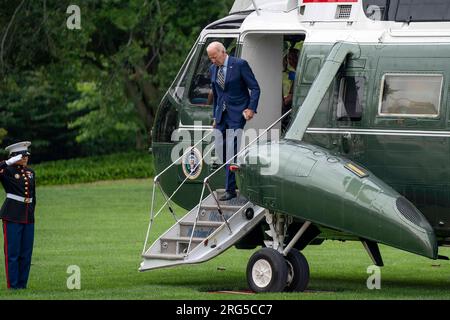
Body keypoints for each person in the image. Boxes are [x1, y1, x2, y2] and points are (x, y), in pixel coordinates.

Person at [207, 41, 260, 201]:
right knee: (220, 147)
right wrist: (215, 117)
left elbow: (255, 88)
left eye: (214, 57)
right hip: (221, 115)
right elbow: (217, 94)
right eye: (210, 58)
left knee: (231, 147)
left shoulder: (240, 65)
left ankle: (230, 189)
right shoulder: (213, 69)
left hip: (237, 113)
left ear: (223, 52)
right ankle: (236, 169)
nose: (213, 61)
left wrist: (251, 108)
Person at [0, 141, 36, 289]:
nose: (26, 158)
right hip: (12, 214)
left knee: (26, 253)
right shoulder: (7, 171)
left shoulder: (31, 172)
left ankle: (23, 284)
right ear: (14, 157)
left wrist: (32, 211)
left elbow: (33, 195)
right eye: (22, 156)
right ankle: (13, 285)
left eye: (27, 156)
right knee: (13, 252)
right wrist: (7, 162)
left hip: (27, 215)